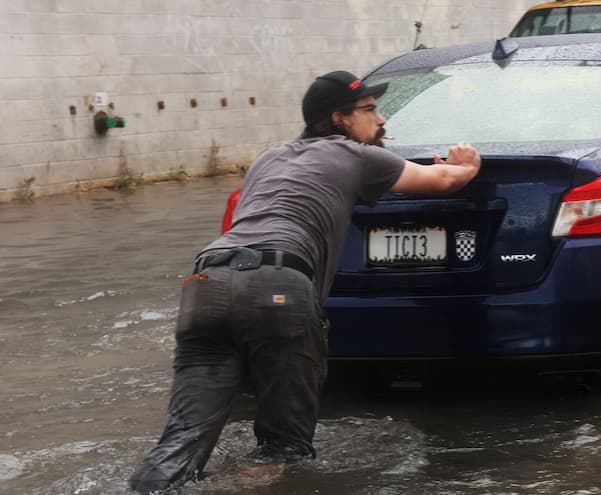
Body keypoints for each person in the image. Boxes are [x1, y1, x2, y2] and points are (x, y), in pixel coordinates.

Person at [127, 70, 482, 493]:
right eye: (370, 110)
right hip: (278, 285)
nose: (381, 119)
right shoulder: (358, 155)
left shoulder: (268, 157)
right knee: (284, 449)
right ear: (339, 119)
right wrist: (466, 164)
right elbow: (443, 180)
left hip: (206, 280)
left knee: (180, 442)